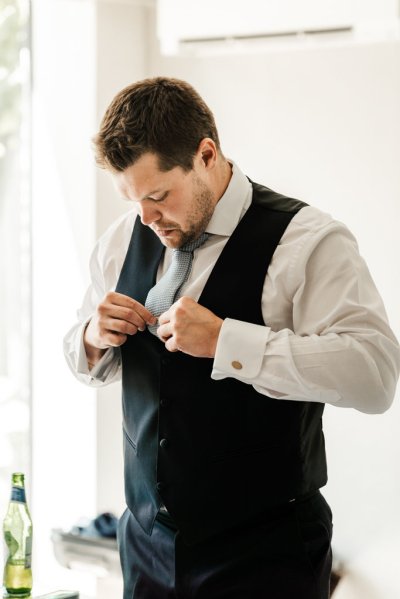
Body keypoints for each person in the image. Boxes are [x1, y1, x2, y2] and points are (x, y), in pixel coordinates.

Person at [63, 77, 400, 599]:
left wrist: (227, 342)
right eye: (133, 201)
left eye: (158, 196)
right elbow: (87, 362)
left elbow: (375, 375)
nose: (147, 219)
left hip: (267, 557)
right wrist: (91, 336)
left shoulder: (308, 242)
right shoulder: (122, 240)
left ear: (206, 154)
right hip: (146, 551)